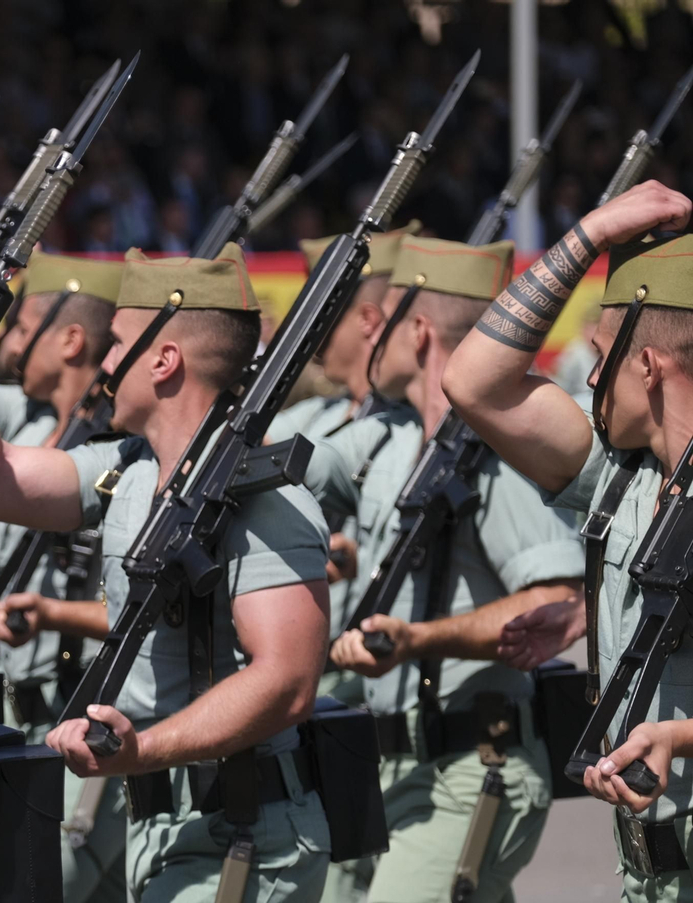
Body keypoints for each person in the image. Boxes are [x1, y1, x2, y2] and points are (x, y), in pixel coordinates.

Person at [0, 244, 333, 903]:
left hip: (243, 835)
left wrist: (142, 749)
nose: (106, 363)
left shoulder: (264, 496)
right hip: (159, 823)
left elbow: (286, 681)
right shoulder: (133, 472)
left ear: (164, 358)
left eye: (119, 345)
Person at [304, 236, 582, 903]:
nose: (374, 329)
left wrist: (421, 639)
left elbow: (557, 599)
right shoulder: (392, 443)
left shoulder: (499, 454)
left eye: (388, 318)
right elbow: (297, 469)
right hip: (396, 766)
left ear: (420, 330)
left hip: (473, 765)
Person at [441, 181, 693, 901]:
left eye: (598, 355)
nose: (586, 378)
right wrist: (588, 236)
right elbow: (475, 382)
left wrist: (681, 736)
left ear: (646, 367)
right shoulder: (623, 478)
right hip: (649, 869)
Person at [0, 250, 127, 903]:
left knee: (42, 886)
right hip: (24, 709)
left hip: (87, 715)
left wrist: (54, 613)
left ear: (69, 339)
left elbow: (137, 607)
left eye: (21, 325)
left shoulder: (119, 455)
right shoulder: (37, 429)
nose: (8, 342)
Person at [270, 225, 420, 695]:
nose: (314, 339)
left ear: (368, 321)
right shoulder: (311, 418)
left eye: (325, 322)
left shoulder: (416, 431)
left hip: (381, 672)